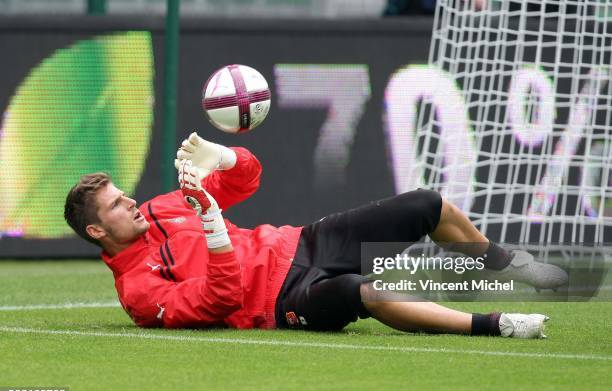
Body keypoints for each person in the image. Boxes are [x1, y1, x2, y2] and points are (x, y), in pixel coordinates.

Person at [64, 133, 567, 338]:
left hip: (299, 243)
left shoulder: (162, 208)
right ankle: (496, 324)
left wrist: (225, 157)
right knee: (359, 293)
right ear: (96, 229)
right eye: (115, 205)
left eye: (123, 193)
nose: (131, 202)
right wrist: (216, 231)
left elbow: (247, 179)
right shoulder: (138, 293)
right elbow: (221, 298)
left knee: (426, 204)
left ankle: (508, 265)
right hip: (282, 299)